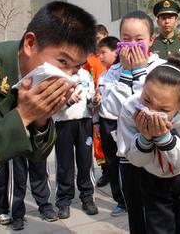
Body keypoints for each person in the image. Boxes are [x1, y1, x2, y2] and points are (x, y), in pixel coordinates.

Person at [0, 1, 96, 233]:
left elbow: (37, 154)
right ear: (30, 44)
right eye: (63, 62)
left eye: (75, 69)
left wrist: (40, 118)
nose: (67, 76)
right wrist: (22, 116)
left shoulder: (33, 80)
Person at [117, 55, 180, 234]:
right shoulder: (130, 107)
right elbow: (135, 159)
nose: (151, 112)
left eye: (163, 110)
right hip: (152, 177)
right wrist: (145, 138)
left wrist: (163, 138)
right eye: (146, 101)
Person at [100, 10, 165, 233]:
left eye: (139, 40)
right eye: (126, 40)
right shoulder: (111, 73)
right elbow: (111, 109)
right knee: (136, 215)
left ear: (151, 40)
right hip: (128, 154)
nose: (132, 46)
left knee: (159, 216)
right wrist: (128, 74)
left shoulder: (162, 69)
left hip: (159, 153)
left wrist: (138, 73)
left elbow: (149, 108)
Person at [53, 67, 98, 220]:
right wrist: (69, 102)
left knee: (86, 162)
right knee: (64, 164)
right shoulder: (56, 75)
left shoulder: (85, 74)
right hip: (63, 123)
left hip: (84, 122)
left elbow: (90, 98)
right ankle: (64, 201)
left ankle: (87, 197)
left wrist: (94, 101)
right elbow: (53, 106)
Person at [95, 36, 127, 217]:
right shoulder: (104, 75)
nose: (100, 57)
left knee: (126, 162)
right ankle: (120, 200)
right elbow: (100, 100)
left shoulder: (126, 71)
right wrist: (97, 120)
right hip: (106, 122)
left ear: (115, 51)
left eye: (103, 53)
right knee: (112, 163)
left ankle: (130, 197)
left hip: (121, 122)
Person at [84, 24, 109, 187]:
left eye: (100, 39)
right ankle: (105, 171)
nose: (97, 43)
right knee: (99, 138)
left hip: (112, 100)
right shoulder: (89, 58)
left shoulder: (114, 53)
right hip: (96, 102)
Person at [10, 156, 57, 230]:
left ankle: (45, 205)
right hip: (16, 145)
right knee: (18, 174)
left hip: (36, 145)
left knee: (40, 170)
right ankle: (17, 214)